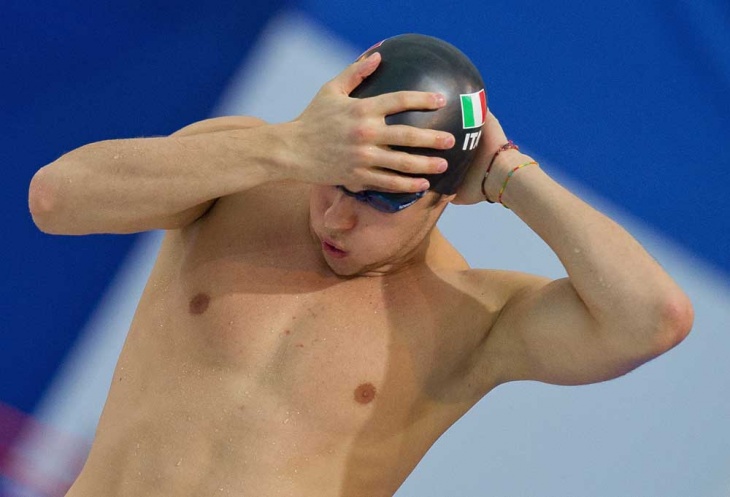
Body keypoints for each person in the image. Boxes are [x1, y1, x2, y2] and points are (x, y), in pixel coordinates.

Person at [29, 44, 693, 497]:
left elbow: (654, 319)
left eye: (381, 200)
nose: (338, 218)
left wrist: (509, 173)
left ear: (443, 198)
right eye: (335, 178)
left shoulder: (473, 320)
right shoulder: (240, 178)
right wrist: (287, 146)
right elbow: (55, 199)